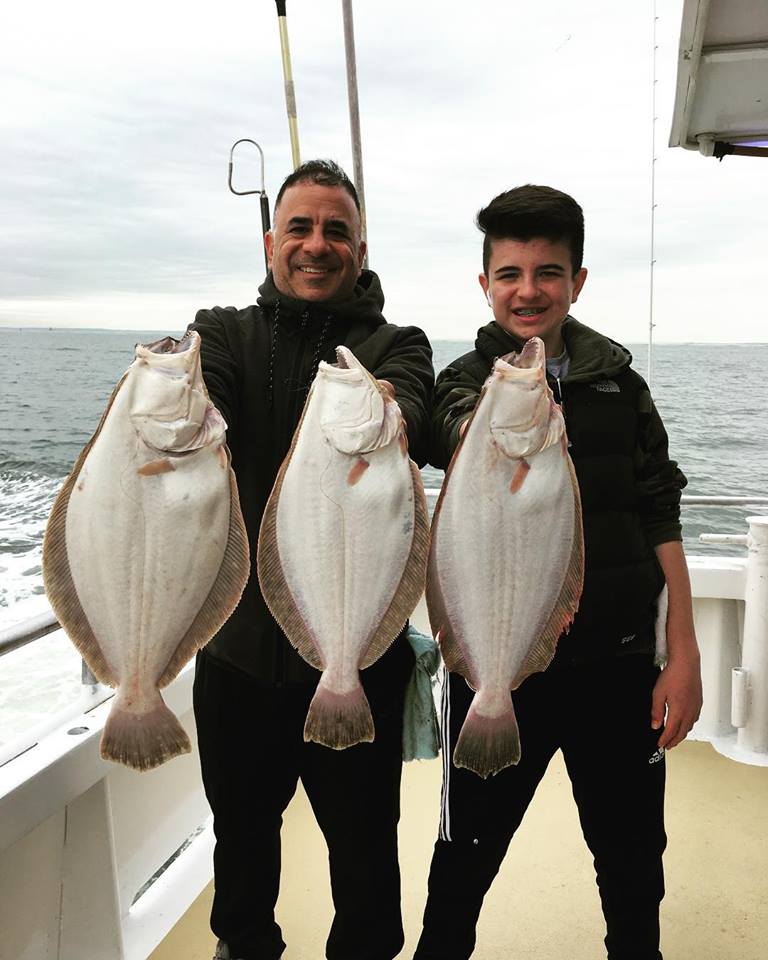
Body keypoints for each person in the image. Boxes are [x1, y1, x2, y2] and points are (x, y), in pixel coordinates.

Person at [413, 184, 702, 960]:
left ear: (577, 281)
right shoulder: (464, 382)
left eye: (548, 272)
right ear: (485, 284)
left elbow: (660, 509)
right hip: (496, 667)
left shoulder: (621, 387)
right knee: (461, 869)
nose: (529, 290)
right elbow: (443, 428)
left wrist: (683, 656)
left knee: (634, 869)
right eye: (509, 273)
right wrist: (492, 422)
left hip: (618, 668)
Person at [190, 159, 434, 960]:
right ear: (271, 244)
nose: (317, 244)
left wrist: (386, 405)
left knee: (364, 859)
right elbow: (204, 399)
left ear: (360, 251)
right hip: (238, 657)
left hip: (358, 658)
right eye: (299, 227)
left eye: (337, 231)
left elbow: (410, 401)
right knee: (241, 847)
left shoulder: (396, 345)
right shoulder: (223, 333)